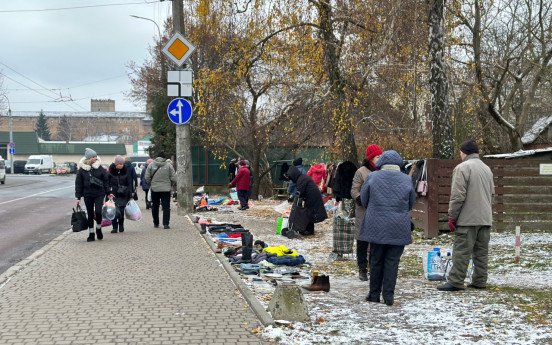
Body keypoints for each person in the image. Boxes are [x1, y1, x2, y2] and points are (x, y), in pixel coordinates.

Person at [438, 139, 495, 291]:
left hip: (468, 219)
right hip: (485, 219)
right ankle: (480, 281)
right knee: (481, 253)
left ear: (464, 152)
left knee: (462, 252)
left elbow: (458, 196)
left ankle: (456, 281)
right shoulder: (486, 169)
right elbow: (492, 194)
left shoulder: (462, 168)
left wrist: (452, 216)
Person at [360, 150, 416, 306]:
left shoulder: (372, 177)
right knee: (392, 262)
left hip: (376, 225)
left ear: (381, 163)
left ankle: (374, 295)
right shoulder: (406, 179)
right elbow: (411, 202)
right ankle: (389, 297)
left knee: (376, 260)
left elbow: (364, 200)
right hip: (399, 226)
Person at [350, 144, 383, 281]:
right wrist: (361, 200)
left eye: (381, 156)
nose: (379, 158)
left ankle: (373, 267)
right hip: (363, 210)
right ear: (370, 158)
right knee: (362, 240)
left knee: (376, 241)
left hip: (378, 211)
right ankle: (362, 268)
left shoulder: (382, 171)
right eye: (377, 156)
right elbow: (354, 190)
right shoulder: (361, 171)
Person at [75, 148, 110, 242]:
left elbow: (106, 181)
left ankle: (98, 228)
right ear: (89, 158)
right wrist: (78, 197)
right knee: (90, 214)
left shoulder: (100, 167)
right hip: (87, 194)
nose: (96, 158)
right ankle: (91, 233)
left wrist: (109, 193)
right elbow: (79, 184)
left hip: (99, 193)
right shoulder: (82, 170)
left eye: (96, 156)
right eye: (94, 156)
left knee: (98, 212)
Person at [285, 165, 328, 235]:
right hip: (312, 197)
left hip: (312, 198)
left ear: (293, 175)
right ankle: (308, 230)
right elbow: (300, 192)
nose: (291, 179)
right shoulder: (302, 178)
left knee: (309, 213)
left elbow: (299, 193)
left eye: (291, 177)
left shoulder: (301, 179)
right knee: (309, 213)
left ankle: (308, 230)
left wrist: (294, 201)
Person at [144, 152, 177, 229]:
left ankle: (156, 223)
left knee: (155, 206)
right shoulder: (169, 165)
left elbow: (147, 177)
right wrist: (170, 185)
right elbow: (174, 178)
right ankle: (166, 224)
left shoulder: (151, 165)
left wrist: (151, 184)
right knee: (166, 207)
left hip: (154, 189)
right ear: (164, 158)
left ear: (156, 157)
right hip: (166, 190)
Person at [107, 155, 134, 233]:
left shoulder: (126, 171)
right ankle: (114, 227)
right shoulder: (110, 172)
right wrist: (108, 192)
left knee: (121, 210)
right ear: (116, 164)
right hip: (113, 194)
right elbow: (107, 183)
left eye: (122, 164)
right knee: (113, 210)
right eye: (120, 164)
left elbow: (129, 183)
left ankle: (121, 224)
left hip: (123, 194)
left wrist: (130, 193)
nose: (122, 165)